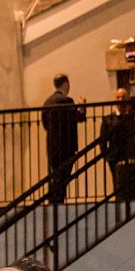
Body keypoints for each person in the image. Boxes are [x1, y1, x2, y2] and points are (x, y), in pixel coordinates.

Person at [40, 74, 85, 206]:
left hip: (52, 146)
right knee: (63, 176)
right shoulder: (67, 101)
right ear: (65, 83)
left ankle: (54, 201)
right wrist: (82, 106)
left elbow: (45, 125)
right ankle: (57, 201)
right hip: (66, 146)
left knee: (56, 175)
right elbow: (78, 117)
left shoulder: (47, 102)